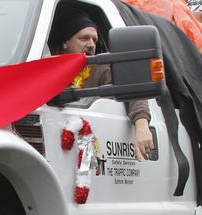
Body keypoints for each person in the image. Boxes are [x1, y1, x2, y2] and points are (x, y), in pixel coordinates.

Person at [48, 10, 154, 160]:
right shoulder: (46, 69)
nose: (91, 45)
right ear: (65, 43)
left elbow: (132, 91)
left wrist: (142, 125)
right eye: (84, 38)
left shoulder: (103, 69)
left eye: (94, 40)